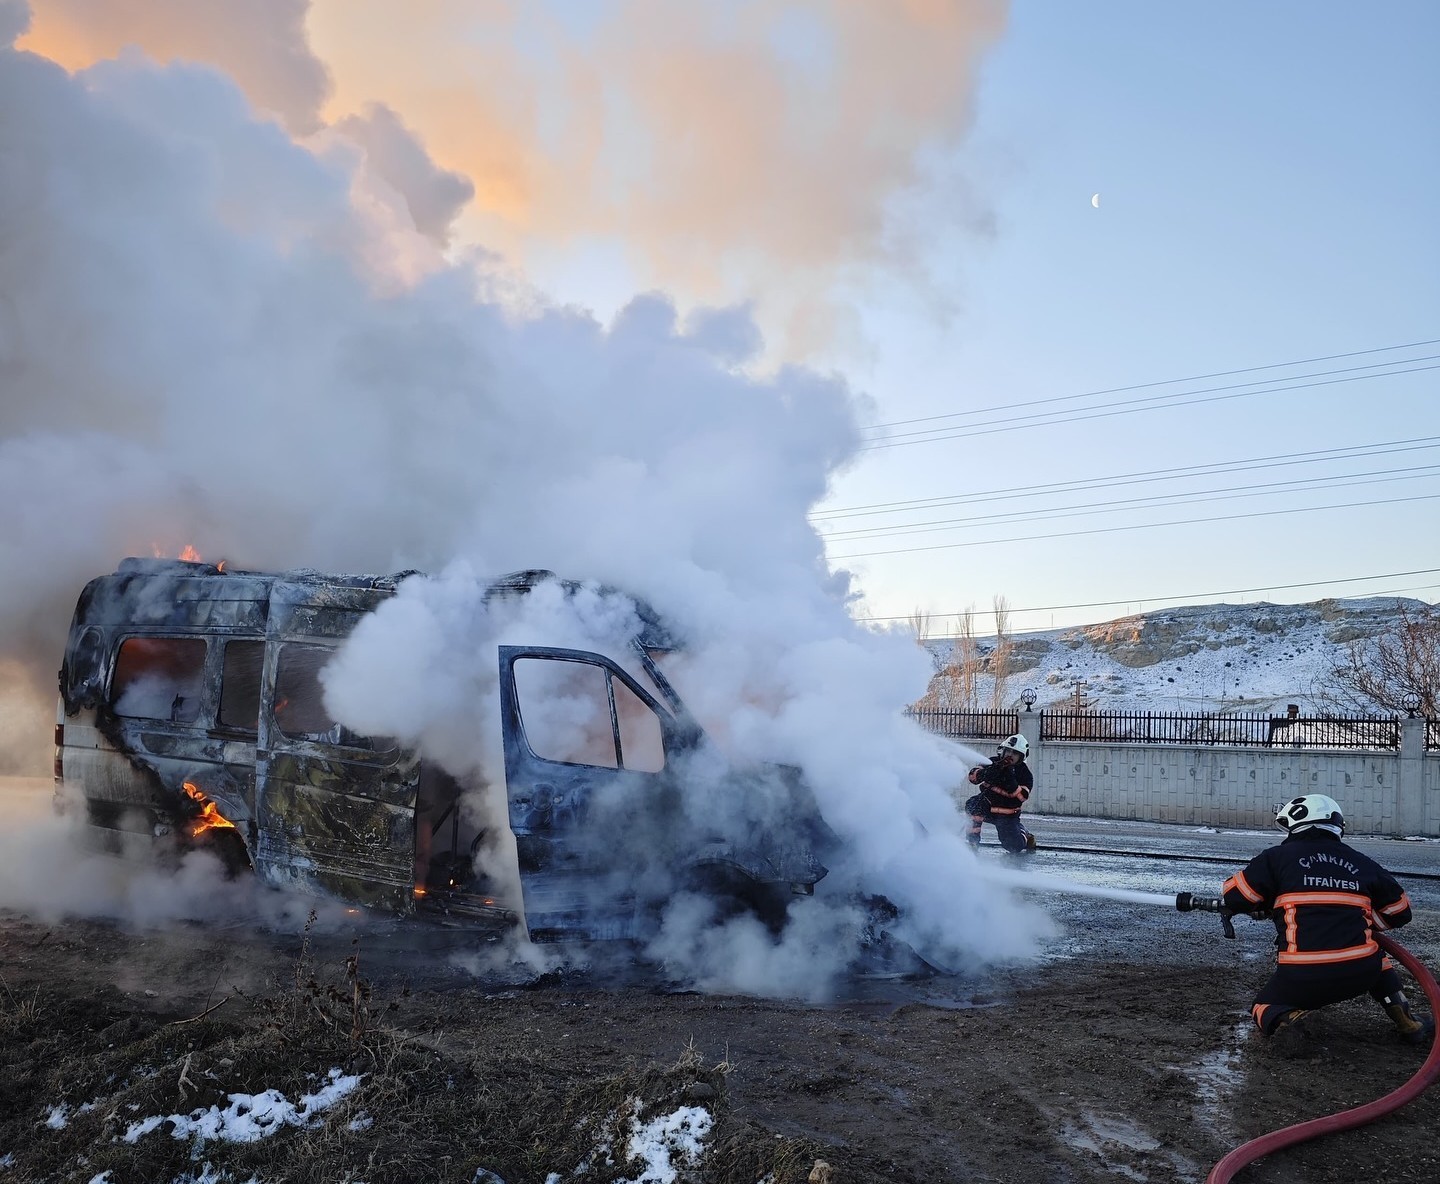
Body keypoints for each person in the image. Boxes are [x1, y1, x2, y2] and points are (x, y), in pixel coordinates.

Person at [1221, 793, 1433, 1045]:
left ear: (1295, 825)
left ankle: (1292, 1019)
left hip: (1302, 978)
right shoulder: (1363, 862)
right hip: (1361, 973)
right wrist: (1359, 922)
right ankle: (1408, 1022)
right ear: (1336, 825)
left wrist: (1272, 903)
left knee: (1262, 1005)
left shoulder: (1276, 858)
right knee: (1376, 955)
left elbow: (1235, 896)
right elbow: (1400, 911)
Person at [964, 734, 1037, 856]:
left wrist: (1010, 781)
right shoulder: (992, 762)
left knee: (1013, 847)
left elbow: (1021, 797)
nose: (1010, 755)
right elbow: (972, 777)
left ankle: (1025, 834)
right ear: (1002, 750)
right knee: (973, 805)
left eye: (1015, 753)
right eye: (1008, 751)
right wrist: (986, 773)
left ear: (1021, 757)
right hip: (988, 805)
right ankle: (973, 842)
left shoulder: (1024, 774)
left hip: (1007, 814)